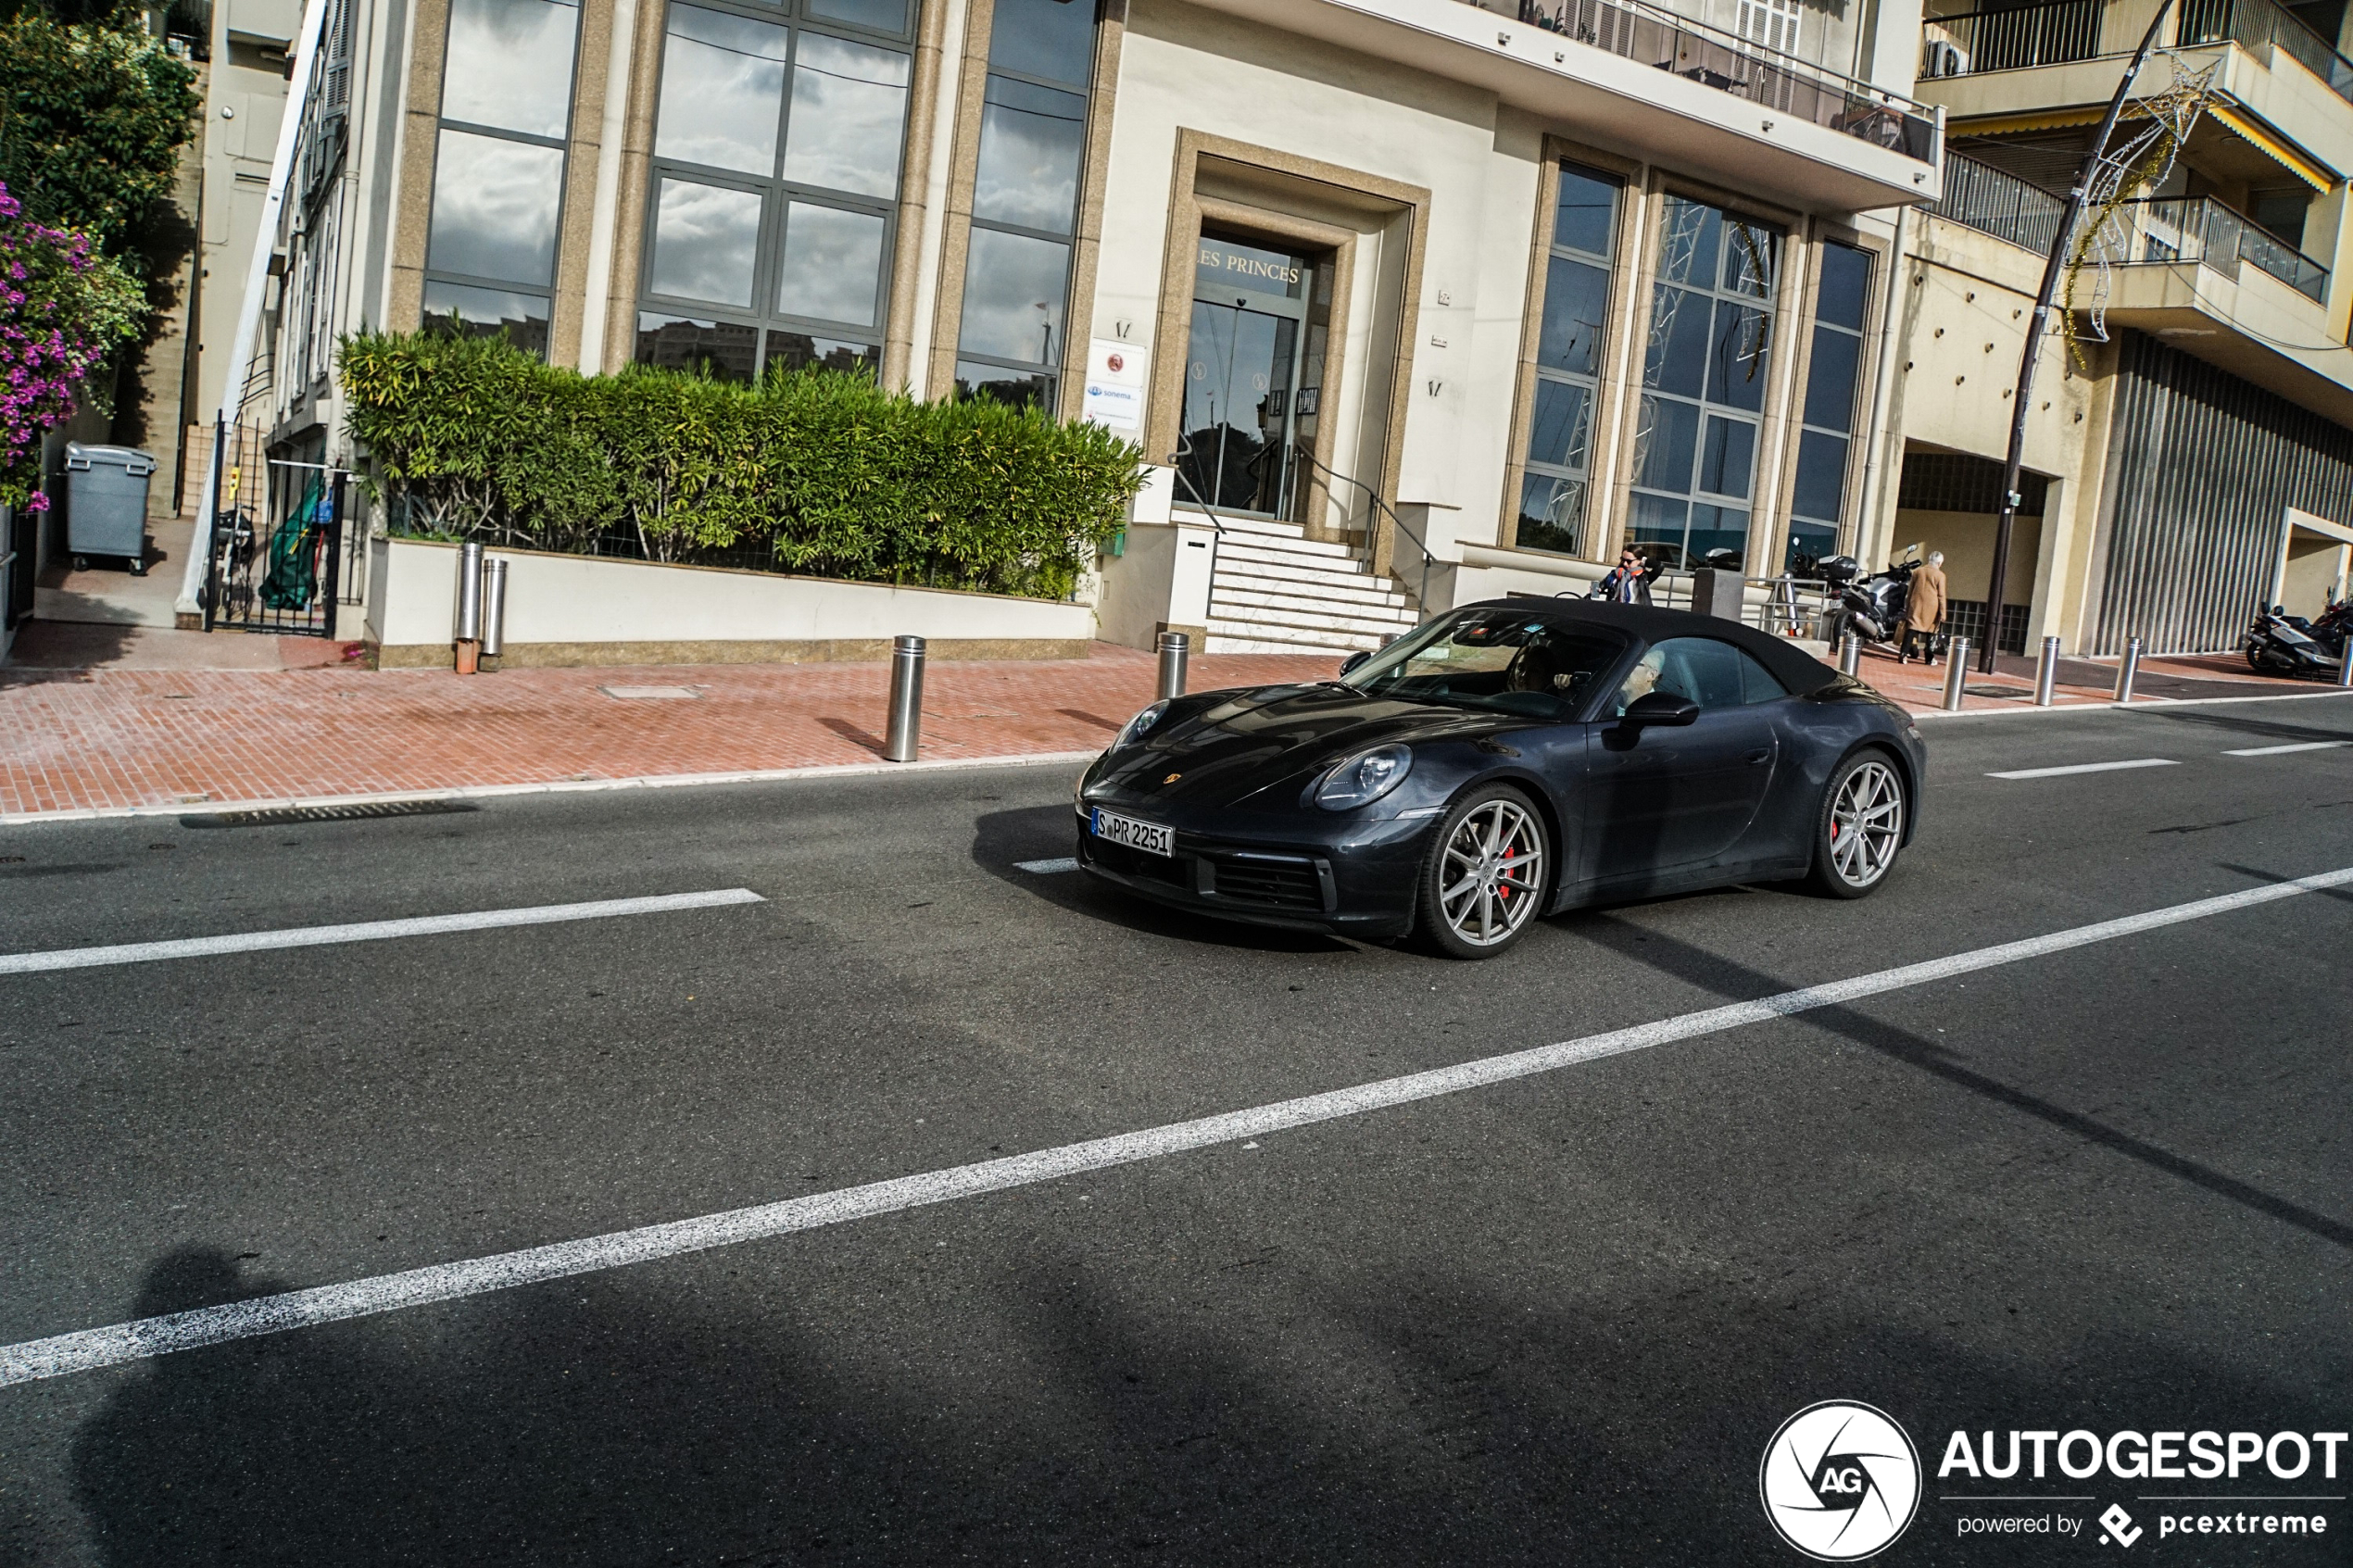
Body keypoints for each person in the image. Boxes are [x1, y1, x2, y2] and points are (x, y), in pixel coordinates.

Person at [1900, 550, 1948, 664]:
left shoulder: (1918, 571)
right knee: (1931, 632)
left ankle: (1903, 654)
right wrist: (1943, 612)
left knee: (1911, 629)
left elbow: (1910, 590)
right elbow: (1941, 595)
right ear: (1939, 563)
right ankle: (1929, 658)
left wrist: (1907, 606)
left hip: (1916, 604)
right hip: (1932, 607)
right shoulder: (1940, 575)